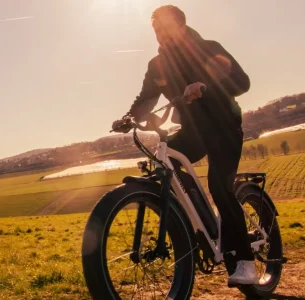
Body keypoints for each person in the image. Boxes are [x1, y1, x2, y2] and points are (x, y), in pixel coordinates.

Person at [113, 5, 257, 286]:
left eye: (166, 28)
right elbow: (146, 98)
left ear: (181, 26)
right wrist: (130, 116)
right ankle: (199, 225)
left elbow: (242, 82)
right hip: (193, 131)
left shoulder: (207, 48)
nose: (161, 35)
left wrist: (205, 84)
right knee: (165, 164)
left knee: (219, 186)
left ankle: (245, 261)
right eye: (156, 30)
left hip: (223, 126)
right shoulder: (158, 65)